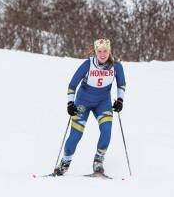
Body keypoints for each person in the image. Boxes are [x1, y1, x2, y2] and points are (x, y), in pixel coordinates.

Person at [54, 38, 126, 176]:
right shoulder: (88, 64)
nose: (103, 54)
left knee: (106, 131)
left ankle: (98, 162)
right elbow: (72, 85)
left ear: (109, 51)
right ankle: (65, 162)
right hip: (83, 102)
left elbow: (121, 84)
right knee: (76, 135)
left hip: (102, 103)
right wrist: (70, 103)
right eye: (99, 51)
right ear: (95, 52)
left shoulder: (116, 66)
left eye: (105, 51)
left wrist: (120, 100)